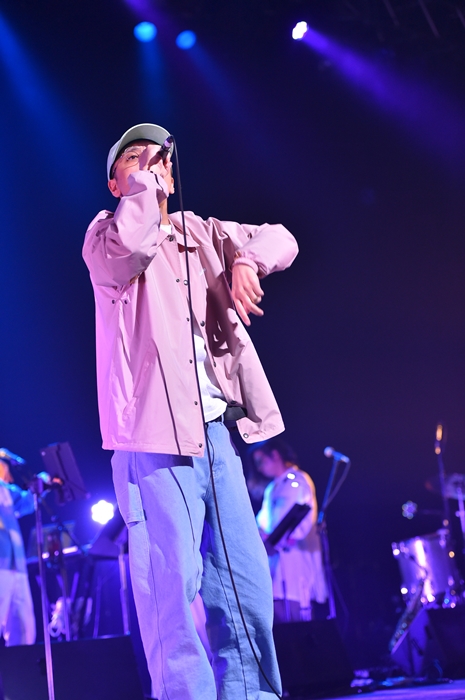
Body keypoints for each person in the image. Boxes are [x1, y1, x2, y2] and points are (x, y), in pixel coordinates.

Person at [82, 123, 298, 700]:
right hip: (152, 440)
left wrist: (246, 261)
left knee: (245, 588)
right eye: (135, 157)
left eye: (160, 159)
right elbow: (132, 248)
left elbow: (281, 238)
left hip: (216, 437)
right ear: (115, 183)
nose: (152, 162)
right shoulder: (105, 235)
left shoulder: (198, 232)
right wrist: (143, 189)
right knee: (172, 593)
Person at [250, 438, 327, 623]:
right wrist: (259, 533)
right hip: (275, 564)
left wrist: (276, 538)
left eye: (261, 461)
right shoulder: (272, 488)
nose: (259, 468)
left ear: (275, 455)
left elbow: (301, 524)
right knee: (279, 613)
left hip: (295, 562)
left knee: (296, 617)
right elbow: (261, 521)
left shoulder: (298, 480)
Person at [0, 453, 36, 646]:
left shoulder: (5, 490)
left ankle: (23, 665)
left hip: (17, 568)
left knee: (23, 630)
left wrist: (43, 483)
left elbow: (26, 503)